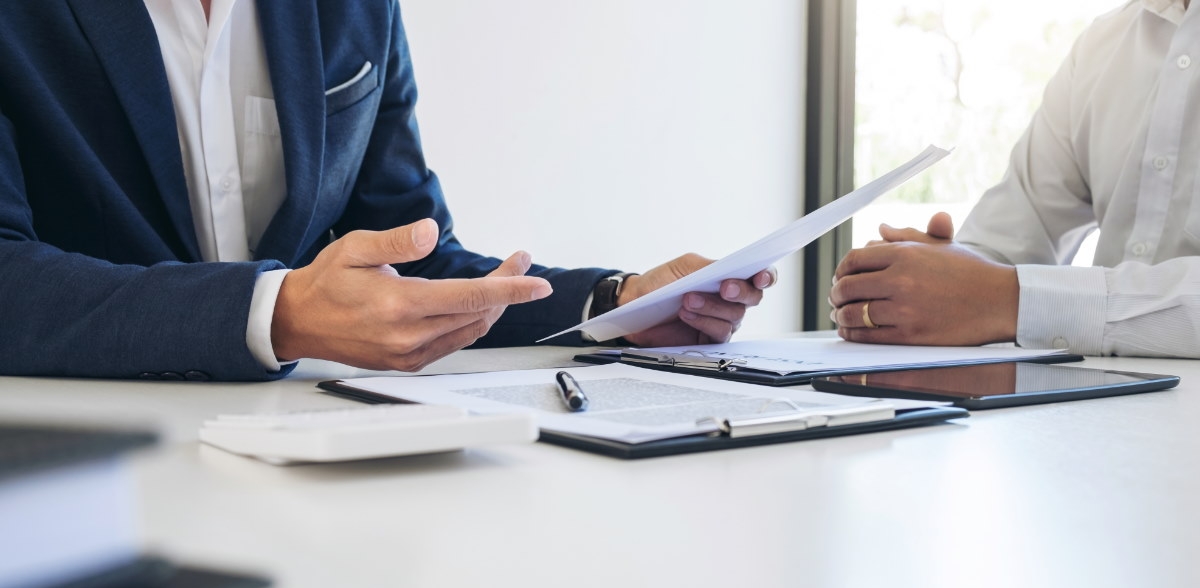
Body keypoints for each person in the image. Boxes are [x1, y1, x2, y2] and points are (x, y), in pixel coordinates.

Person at [0, 0, 775, 382]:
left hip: (316, 477)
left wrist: (616, 306)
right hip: (79, 478)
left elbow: (412, 261)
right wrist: (279, 313)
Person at [830, 0, 1200, 359]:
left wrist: (1009, 299)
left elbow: (995, 292)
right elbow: (1013, 235)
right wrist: (921, 279)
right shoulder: (1102, 47)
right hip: (1098, 410)